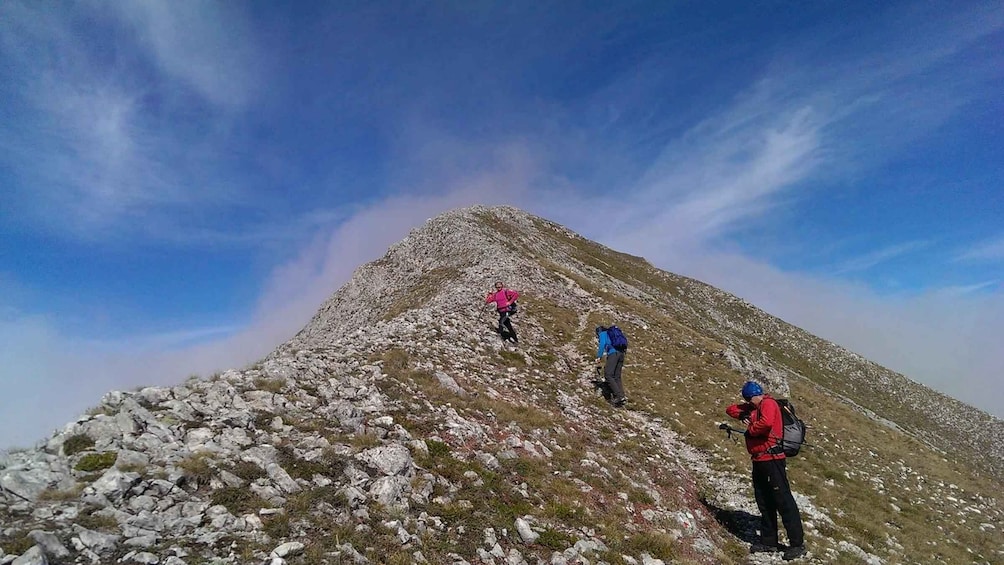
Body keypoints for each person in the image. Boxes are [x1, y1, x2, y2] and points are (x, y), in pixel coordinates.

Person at [726, 381, 807, 561]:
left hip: (772, 459)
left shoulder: (768, 404)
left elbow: (767, 423)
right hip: (760, 460)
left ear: (754, 395)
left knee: (783, 500)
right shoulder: (753, 406)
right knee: (764, 500)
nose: (749, 402)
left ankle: (797, 544)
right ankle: (769, 541)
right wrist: (744, 414)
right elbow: (730, 409)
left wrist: (751, 430)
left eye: (749, 400)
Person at [595, 326, 626, 407]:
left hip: (613, 354)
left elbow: (602, 344)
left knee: (608, 374)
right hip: (621, 354)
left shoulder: (603, 334)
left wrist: (599, 356)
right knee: (617, 376)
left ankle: (618, 396)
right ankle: (622, 397)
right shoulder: (612, 333)